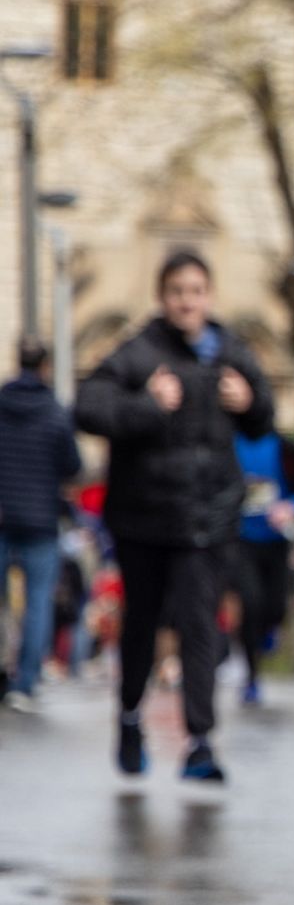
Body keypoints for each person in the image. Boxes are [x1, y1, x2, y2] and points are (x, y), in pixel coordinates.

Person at [76, 250, 275, 781]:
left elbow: (265, 421)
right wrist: (146, 405)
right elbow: (87, 407)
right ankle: (130, 716)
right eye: (177, 291)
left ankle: (201, 742)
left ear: (209, 296)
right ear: (162, 298)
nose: (188, 301)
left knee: (200, 624)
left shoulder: (228, 350)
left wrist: (249, 400)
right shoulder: (138, 352)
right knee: (141, 623)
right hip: (143, 517)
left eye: (196, 291)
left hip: (207, 517)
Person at [0, 335, 83, 712]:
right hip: (40, 519)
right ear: (45, 365)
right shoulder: (54, 411)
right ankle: (25, 682)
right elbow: (72, 466)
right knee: (37, 604)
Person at [231, 428, 294, 705]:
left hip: (277, 541)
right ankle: (251, 676)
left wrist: (293, 507)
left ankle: (269, 630)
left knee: (275, 605)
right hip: (240, 540)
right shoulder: (228, 442)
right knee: (250, 603)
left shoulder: (284, 446)